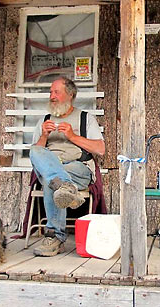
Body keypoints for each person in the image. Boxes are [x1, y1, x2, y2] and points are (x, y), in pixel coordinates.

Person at [29, 77, 105, 257]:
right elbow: (37, 154)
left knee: (51, 180)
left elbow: (100, 149)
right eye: (50, 92)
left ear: (70, 95)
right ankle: (64, 186)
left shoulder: (86, 118)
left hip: (78, 168)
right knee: (36, 152)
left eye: (56, 92)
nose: (52, 96)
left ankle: (54, 237)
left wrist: (72, 136)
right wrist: (44, 137)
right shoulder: (44, 120)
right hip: (53, 169)